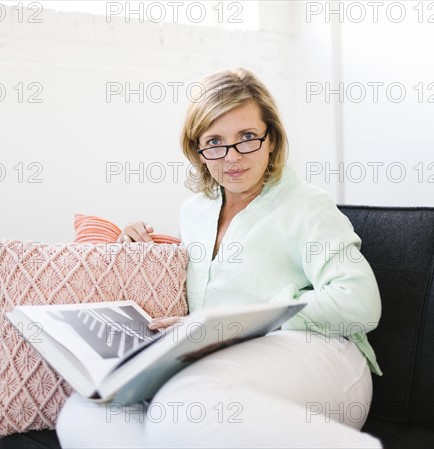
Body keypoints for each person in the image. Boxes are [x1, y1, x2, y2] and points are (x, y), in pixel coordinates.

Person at [56, 68, 383, 448]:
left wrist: (249, 319)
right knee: (86, 411)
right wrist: (139, 251)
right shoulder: (194, 211)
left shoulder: (307, 205)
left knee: (181, 408)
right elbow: (189, 293)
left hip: (320, 355)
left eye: (246, 137)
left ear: (271, 139)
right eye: (215, 141)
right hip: (217, 364)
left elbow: (360, 302)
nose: (232, 157)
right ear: (198, 150)